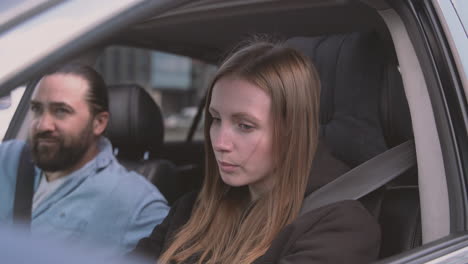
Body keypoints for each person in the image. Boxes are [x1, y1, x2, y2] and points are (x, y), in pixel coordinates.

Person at [132, 40, 381, 263]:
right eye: (216, 119)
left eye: (245, 126)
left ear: (291, 131)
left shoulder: (340, 227)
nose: (220, 142)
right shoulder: (192, 210)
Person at [0, 64, 169, 255]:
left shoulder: (136, 204)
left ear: (99, 123)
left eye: (61, 111)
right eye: (37, 109)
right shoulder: (8, 157)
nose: (43, 125)